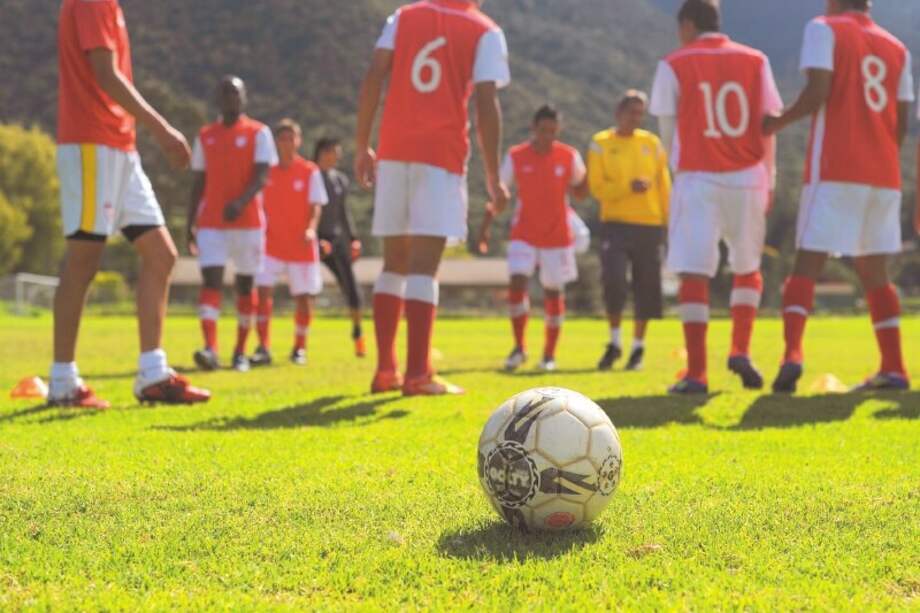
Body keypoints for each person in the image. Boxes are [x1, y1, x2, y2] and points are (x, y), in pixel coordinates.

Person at [50, 0, 210, 408]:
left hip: (121, 149)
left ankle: (152, 375)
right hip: (91, 144)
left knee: (161, 255)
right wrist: (161, 127)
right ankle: (62, 380)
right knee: (83, 259)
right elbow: (105, 72)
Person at [355, 0, 510, 396]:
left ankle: (385, 369)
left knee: (393, 265)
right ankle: (417, 375)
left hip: (393, 149)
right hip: (440, 156)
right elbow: (486, 102)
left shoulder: (404, 15)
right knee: (424, 266)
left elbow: (375, 73)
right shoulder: (484, 29)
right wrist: (493, 176)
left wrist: (362, 145)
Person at [764, 0, 914, 393]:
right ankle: (894, 368)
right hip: (883, 174)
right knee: (876, 273)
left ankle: (792, 355)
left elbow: (818, 91)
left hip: (835, 167)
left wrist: (775, 122)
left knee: (807, 263)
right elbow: (902, 118)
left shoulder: (824, 27)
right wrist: (880, 152)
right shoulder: (897, 47)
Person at [650, 0, 782, 395]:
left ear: (688, 24)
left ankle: (697, 373)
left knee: (694, 271)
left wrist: (681, 175)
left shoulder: (674, 63)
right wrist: (769, 179)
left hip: (698, 177)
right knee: (747, 267)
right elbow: (768, 124)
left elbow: (668, 134)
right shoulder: (755, 60)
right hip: (748, 177)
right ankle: (740, 349)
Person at [478, 105, 588, 373]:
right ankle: (519, 347)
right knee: (517, 283)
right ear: (533, 128)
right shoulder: (516, 156)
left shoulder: (569, 156)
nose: (547, 136)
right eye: (542, 130)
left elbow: (581, 193)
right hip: (524, 232)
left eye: (552, 131)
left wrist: (592, 172)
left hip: (557, 235)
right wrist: (486, 225)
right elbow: (499, 194)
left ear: (557, 130)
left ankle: (549, 355)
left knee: (553, 292)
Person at [187, 76, 277, 373]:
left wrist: (240, 202)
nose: (231, 98)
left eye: (236, 93)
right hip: (212, 223)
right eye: (225, 93)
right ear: (218, 98)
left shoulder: (259, 133)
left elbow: (262, 175)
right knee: (211, 281)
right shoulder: (205, 136)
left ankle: (240, 351)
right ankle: (210, 349)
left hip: (248, 223)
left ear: (244, 97)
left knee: (244, 285)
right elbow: (198, 180)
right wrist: (190, 222)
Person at [589, 90, 671, 373]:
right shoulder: (601, 143)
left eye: (641, 112)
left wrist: (669, 221)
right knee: (613, 281)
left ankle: (638, 347)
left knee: (646, 286)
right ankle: (614, 342)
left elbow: (664, 185)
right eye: (632, 112)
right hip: (615, 223)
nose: (637, 118)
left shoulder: (652, 143)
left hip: (649, 224)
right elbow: (597, 188)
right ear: (619, 112)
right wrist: (627, 187)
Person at [251, 120, 329, 367]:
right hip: (270, 245)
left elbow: (316, 206)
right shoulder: (266, 171)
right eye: (282, 138)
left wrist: (311, 229)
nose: (286, 142)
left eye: (291, 137)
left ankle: (300, 347)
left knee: (304, 298)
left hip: (301, 246)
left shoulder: (309, 171)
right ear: (276, 142)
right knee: (262, 293)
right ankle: (263, 346)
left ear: (298, 141)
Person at [315, 137, 367, 358]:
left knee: (352, 288)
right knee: (304, 289)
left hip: (335, 240)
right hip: (311, 239)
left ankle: (358, 334)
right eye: (333, 152)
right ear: (322, 153)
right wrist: (315, 238)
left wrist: (353, 238)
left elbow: (343, 212)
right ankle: (300, 344)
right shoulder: (310, 175)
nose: (337, 157)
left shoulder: (340, 180)